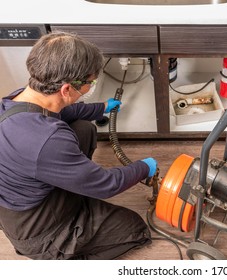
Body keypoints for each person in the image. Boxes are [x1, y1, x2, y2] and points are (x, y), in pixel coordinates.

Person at [0, 31, 157, 260]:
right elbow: (106, 184)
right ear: (66, 89)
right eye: (89, 84)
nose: (90, 87)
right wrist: (145, 166)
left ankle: (77, 180)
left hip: (25, 193)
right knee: (134, 229)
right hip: (38, 230)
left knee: (84, 128)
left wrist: (101, 107)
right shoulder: (48, 140)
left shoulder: (16, 100)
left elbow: (65, 110)